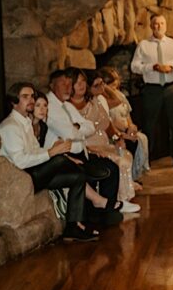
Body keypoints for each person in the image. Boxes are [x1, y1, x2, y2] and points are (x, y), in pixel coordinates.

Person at [0, 83, 100, 242]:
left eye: (32, 96)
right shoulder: (10, 126)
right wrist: (52, 153)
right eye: (25, 97)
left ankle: (73, 227)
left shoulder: (25, 123)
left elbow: (35, 150)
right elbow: (20, 162)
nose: (31, 100)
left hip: (33, 173)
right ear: (13, 102)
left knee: (77, 178)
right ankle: (90, 171)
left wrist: (53, 150)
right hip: (22, 179)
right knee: (58, 159)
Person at [31, 90, 129, 219]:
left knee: (87, 171)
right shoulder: (28, 126)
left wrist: (67, 156)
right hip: (35, 170)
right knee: (73, 167)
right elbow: (38, 153)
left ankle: (83, 221)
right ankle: (99, 202)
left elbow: (88, 128)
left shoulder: (42, 126)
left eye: (45, 106)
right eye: (38, 106)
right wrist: (64, 156)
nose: (43, 109)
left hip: (53, 160)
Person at [44, 69, 122, 214]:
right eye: (63, 84)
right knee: (97, 170)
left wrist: (77, 128)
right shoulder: (49, 106)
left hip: (82, 152)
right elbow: (69, 133)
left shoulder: (66, 105)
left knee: (111, 167)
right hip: (65, 157)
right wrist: (78, 130)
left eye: (69, 84)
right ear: (51, 85)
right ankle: (98, 210)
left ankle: (106, 210)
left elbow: (90, 127)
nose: (67, 87)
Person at [69, 69, 140, 213]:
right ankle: (113, 203)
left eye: (83, 82)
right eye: (78, 83)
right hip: (89, 146)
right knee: (115, 161)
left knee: (125, 154)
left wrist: (118, 138)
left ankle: (122, 199)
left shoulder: (95, 101)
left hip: (103, 142)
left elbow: (107, 125)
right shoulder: (68, 108)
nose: (81, 86)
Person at [131, 13, 173, 168]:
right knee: (149, 123)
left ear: (166, 25)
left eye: (162, 23)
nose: (159, 26)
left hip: (172, 86)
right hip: (152, 88)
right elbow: (134, 66)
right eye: (156, 24)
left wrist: (171, 68)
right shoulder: (143, 45)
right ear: (151, 26)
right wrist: (152, 67)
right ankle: (146, 158)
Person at [98, 66, 150, 181]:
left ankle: (134, 174)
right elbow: (108, 122)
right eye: (112, 86)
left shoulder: (120, 95)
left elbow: (127, 115)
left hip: (125, 128)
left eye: (116, 85)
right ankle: (127, 178)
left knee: (140, 138)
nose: (115, 89)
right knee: (130, 142)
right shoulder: (102, 99)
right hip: (113, 133)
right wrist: (123, 134)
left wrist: (131, 126)